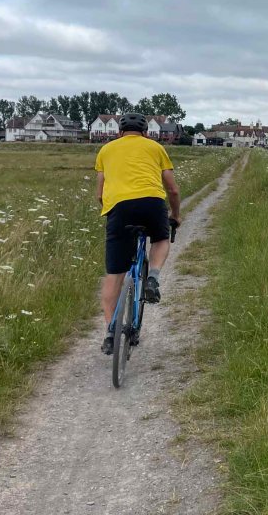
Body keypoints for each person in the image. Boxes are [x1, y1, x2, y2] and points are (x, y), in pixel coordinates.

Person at [95, 112, 181, 355]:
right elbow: (173, 190)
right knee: (161, 238)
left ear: (119, 132)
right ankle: (152, 277)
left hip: (119, 208)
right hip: (152, 202)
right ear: (145, 132)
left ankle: (110, 333)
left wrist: (111, 209)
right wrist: (175, 215)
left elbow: (99, 193)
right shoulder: (156, 148)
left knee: (114, 275)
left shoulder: (106, 150)